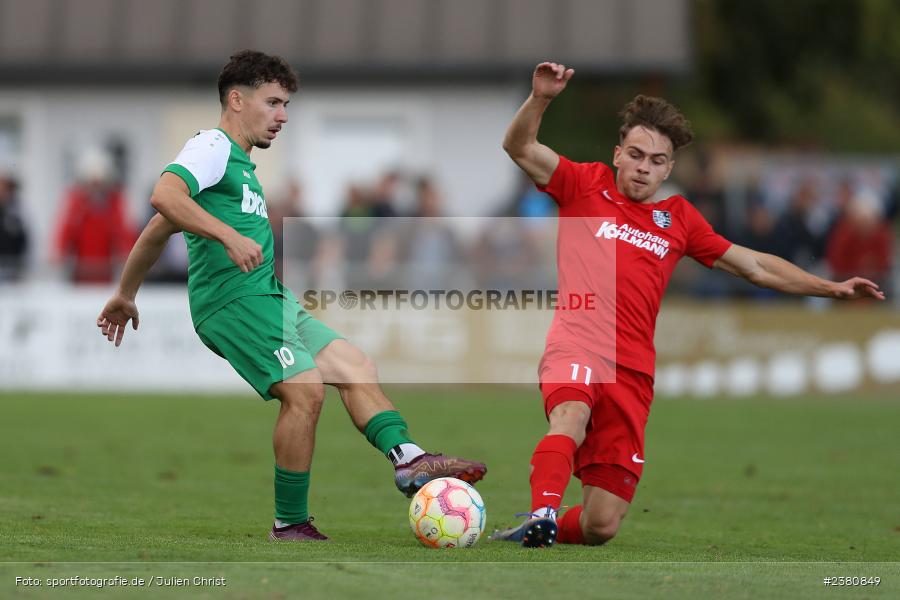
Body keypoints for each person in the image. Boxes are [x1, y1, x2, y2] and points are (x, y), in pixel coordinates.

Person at [95, 50, 485, 542]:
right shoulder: (211, 145)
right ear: (237, 100)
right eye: (273, 102)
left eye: (286, 105)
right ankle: (290, 523)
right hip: (233, 301)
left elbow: (159, 226)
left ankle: (409, 460)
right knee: (305, 391)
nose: (282, 116)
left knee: (354, 366)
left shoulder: (240, 165)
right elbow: (164, 196)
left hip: (270, 297)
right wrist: (228, 236)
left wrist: (126, 293)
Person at [491, 62, 884, 548]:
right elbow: (519, 147)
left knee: (600, 525)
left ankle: (537, 526)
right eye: (636, 155)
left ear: (669, 169)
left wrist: (832, 288)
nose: (644, 167)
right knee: (569, 415)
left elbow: (754, 266)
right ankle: (542, 512)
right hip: (578, 343)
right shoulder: (583, 184)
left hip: (633, 369)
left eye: (657, 160)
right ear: (617, 154)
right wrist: (541, 99)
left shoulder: (678, 219)